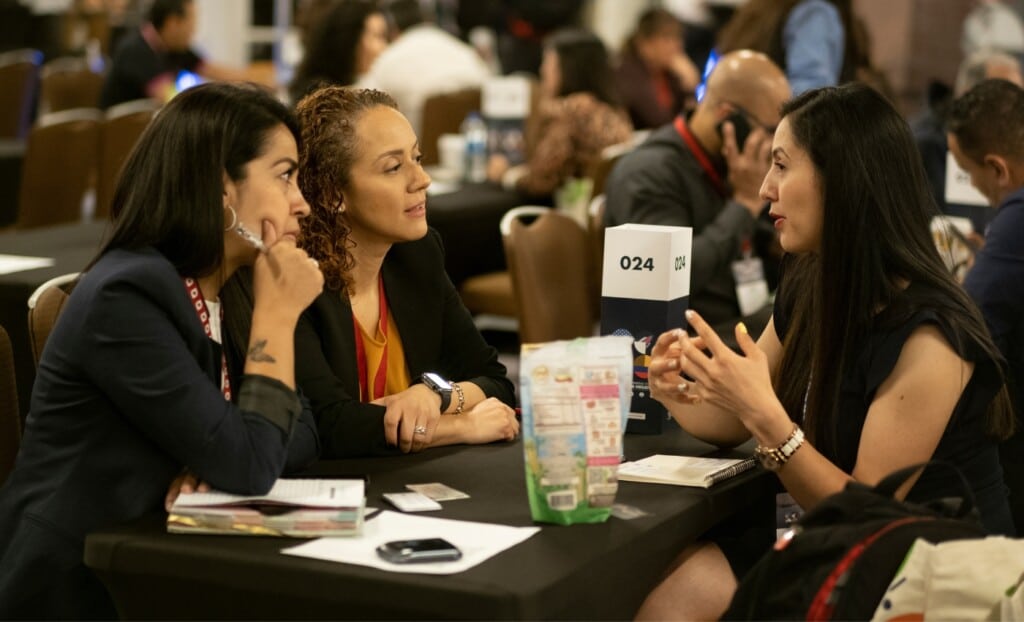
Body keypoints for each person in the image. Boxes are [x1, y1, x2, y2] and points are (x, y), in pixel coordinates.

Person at [638, 83, 1015, 620]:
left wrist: (767, 419)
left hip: (924, 567)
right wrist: (675, 388)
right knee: (669, 585)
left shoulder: (933, 335)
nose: (765, 188)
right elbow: (733, 417)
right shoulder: (811, 275)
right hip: (827, 533)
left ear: (843, 179)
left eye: (781, 165)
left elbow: (865, 513)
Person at [0, 82, 323, 618]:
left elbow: (306, 427)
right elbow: (251, 465)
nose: (302, 203)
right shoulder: (127, 295)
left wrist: (225, 454)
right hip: (78, 582)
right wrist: (277, 319)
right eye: (284, 175)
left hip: (165, 558)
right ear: (221, 187)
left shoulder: (236, 283)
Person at [291, 85, 519, 457]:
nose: (422, 179)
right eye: (394, 167)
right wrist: (461, 425)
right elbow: (327, 426)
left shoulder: (417, 255)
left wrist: (434, 394)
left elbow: (495, 380)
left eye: (417, 158)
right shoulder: (297, 280)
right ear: (333, 194)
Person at [604, 50, 790, 339]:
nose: (776, 143)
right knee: (789, 325)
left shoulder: (732, 162)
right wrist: (744, 204)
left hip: (733, 319)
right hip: (678, 341)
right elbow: (668, 280)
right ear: (727, 117)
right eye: (771, 130)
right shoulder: (648, 173)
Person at [947, 78, 1024, 532]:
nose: (975, 187)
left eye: (968, 171)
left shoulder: (1017, 217)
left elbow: (966, 327)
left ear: (997, 168)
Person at [487, 28, 632, 198]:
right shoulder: (615, 112)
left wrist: (505, 175)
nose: (542, 70)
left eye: (548, 63)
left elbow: (541, 181)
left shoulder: (568, 114)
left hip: (570, 208)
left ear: (569, 69)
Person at [356, 0, 492, 137]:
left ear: (393, 30)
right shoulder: (460, 48)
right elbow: (488, 80)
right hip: (474, 138)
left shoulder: (389, 58)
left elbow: (362, 105)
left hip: (417, 145)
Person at [98, 0, 248, 109]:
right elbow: (169, 97)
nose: (193, 31)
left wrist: (251, 82)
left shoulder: (174, 46)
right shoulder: (134, 50)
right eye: (191, 22)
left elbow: (214, 70)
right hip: (119, 136)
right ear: (173, 23)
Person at [716, 0, 859, 95]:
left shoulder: (811, 13)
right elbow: (809, 99)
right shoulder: (813, 13)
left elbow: (809, 94)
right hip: (766, 125)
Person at [615, 8, 701, 130]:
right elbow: (659, 123)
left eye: (678, 38)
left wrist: (690, 87)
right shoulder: (627, 72)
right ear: (644, 43)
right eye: (667, 39)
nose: (677, 46)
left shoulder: (670, 74)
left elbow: (691, 121)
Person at [289, 0, 389, 104]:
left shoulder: (356, 88)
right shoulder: (322, 101)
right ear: (350, 38)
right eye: (378, 36)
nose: (384, 46)